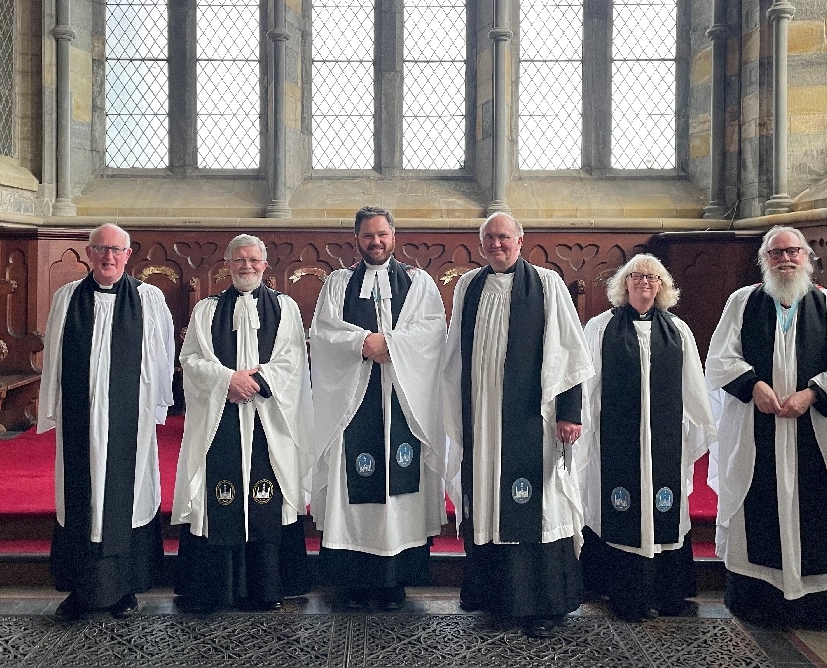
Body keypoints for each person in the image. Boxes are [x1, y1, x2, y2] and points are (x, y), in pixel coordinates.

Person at [705, 225, 827, 628]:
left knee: (816, 510)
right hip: (759, 427)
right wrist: (752, 385)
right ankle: (759, 603)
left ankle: (817, 608)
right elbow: (719, 359)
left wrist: (812, 394)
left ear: (807, 257)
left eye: (793, 252)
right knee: (759, 506)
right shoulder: (742, 302)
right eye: (775, 254)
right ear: (764, 260)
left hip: (818, 434)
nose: (785, 259)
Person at [441, 212, 594, 638]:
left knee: (538, 503)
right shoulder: (470, 286)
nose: (496, 244)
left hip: (533, 419)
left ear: (521, 240)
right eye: (489, 238)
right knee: (489, 501)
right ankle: (498, 600)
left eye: (504, 237)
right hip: (483, 422)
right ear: (480, 243)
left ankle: (543, 604)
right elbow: (454, 352)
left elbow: (570, 351)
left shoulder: (546, 284)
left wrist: (569, 411)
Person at [309, 205, 447, 610]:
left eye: (382, 235)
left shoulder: (418, 283)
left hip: (402, 401)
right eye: (368, 236)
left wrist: (393, 345)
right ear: (357, 239)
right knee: (353, 481)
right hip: (352, 404)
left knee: (399, 478)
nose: (376, 242)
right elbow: (324, 331)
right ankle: (350, 580)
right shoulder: (338, 284)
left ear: (393, 236)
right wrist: (360, 344)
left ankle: (394, 580)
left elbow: (432, 329)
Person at [38, 223, 175, 621]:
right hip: (80, 417)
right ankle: (81, 589)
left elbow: (162, 358)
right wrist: (52, 406)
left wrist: (156, 405)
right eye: (101, 249)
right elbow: (53, 358)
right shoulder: (67, 298)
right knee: (81, 497)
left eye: (116, 250)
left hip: (128, 421)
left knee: (125, 497)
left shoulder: (148, 299)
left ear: (128, 255)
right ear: (89, 253)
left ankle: (124, 589)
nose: (108, 257)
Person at [172, 234, 314, 613]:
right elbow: (191, 359)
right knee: (221, 493)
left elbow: (293, 360)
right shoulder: (206, 309)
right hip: (222, 418)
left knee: (269, 493)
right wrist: (225, 381)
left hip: (268, 418)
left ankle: (268, 587)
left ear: (265, 266)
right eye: (239, 260)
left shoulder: (285, 309)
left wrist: (257, 382)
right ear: (228, 265)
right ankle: (219, 588)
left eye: (253, 260)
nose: (246, 266)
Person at [576, 254, 716, 622]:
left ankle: (665, 592)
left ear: (662, 286)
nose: (645, 283)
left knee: (663, 509)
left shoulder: (677, 330)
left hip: (663, 441)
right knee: (616, 509)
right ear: (624, 283)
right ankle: (621, 592)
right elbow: (589, 384)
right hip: (615, 441)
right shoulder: (600, 328)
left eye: (653, 278)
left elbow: (692, 385)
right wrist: (583, 425)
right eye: (637, 276)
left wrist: (695, 427)